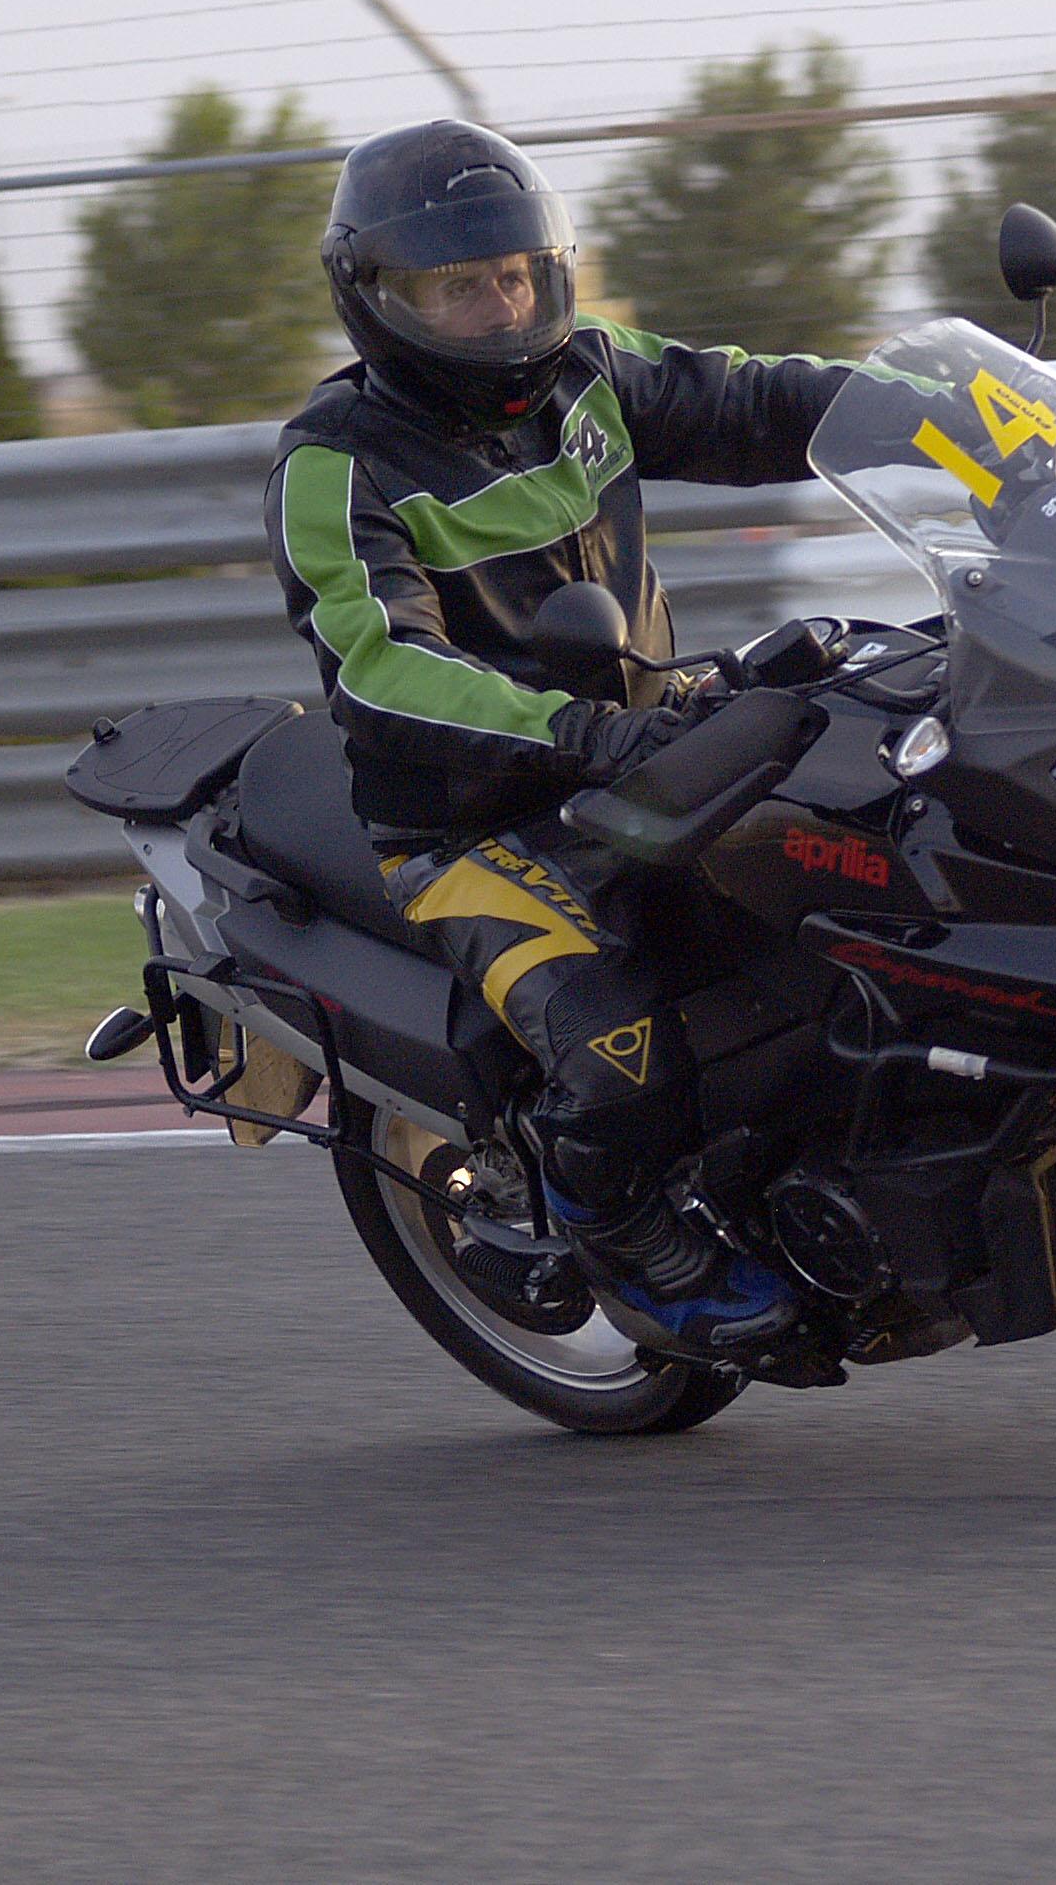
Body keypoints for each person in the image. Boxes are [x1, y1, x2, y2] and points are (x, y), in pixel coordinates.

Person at [266, 119, 883, 1358]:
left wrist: (951, 417)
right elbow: (382, 667)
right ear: (377, 298)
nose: (501, 310)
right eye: (460, 287)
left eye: (516, 276)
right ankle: (621, 1233)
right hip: (474, 823)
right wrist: (580, 732)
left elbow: (757, 400)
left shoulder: (589, 372)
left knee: (872, 862)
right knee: (620, 1052)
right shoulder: (336, 465)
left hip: (646, 747)